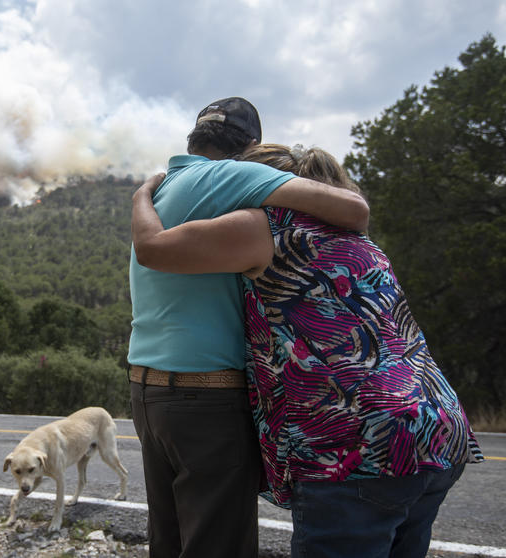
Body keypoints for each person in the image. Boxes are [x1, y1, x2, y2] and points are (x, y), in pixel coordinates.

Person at [132, 143, 484, 558]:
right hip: (435, 431)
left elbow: (155, 249)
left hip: (355, 446)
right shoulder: (359, 240)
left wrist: (142, 196)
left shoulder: (266, 225)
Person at [127, 99, 370, 558]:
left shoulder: (161, 194)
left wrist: (140, 195)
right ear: (250, 148)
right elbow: (354, 210)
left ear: (194, 140)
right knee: (219, 543)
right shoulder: (232, 175)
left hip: (147, 393)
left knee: (169, 539)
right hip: (207, 397)